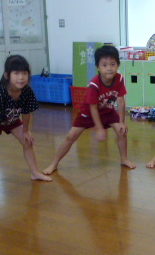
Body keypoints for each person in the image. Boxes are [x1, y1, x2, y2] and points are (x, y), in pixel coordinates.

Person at [42, 45, 136, 175]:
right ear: (98, 67)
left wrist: (122, 122)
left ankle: (124, 159)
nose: (109, 68)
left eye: (112, 64)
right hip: (89, 114)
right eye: (104, 65)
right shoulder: (94, 85)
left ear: (118, 65)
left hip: (108, 111)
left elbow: (121, 101)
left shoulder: (119, 79)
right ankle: (54, 164)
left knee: (122, 132)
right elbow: (92, 108)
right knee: (71, 136)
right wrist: (99, 128)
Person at [0, 55, 51, 198]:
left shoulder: (26, 91)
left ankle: (35, 172)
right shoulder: (0, 92)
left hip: (11, 119)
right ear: (7, 75)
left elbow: (26, 112)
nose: (21, 77)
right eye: (16, 73)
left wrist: (26, 131)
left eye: (24, 73)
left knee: (28, 142)